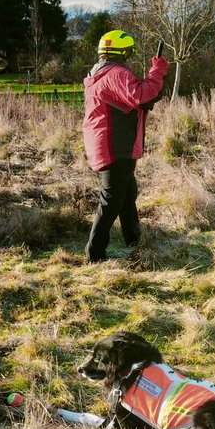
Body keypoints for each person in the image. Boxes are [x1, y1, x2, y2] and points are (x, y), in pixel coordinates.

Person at [82, 30, 169, 262]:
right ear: (123, 52)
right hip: (115, 146)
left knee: (127, 194)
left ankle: (135, 241)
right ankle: (94, 255)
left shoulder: (99, 72)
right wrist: (157, 70)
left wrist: (151, 90)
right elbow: (141, 96)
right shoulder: (116, 73)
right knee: (110, 201)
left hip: (109, 143)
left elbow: (134, 100)